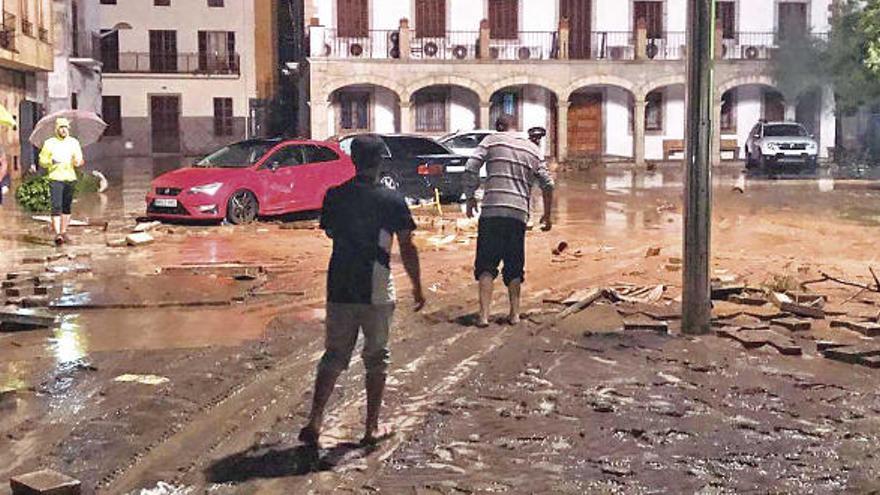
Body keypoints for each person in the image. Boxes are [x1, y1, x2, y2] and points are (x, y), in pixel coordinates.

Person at [299, 134, 426, 447]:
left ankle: (315, 420)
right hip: (377, 286)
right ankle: (371, 427)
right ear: (379, 161)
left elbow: (330, 231)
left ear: (353, 160)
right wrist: (418, 287)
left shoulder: (335, 195)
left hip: (340, 283)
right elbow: (408, 246)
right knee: (377, 357)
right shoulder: (391, 199)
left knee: (334, 355)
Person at [464, 115, 555, 328]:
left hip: (492, 212)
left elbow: (470, 167)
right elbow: (548, 184)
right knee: (514, 264)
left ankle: (484, 316)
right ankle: (514, 314)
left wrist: (470, 196)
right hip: (517, 214)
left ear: (498, 127)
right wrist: (547, 215)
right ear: (517, 128)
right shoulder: (532, 149)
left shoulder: (491, 141)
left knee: (486, 264)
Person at [39, 118, 83, 246]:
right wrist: (51, 162)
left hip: (70, 177)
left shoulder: (73, 143)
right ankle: (57, 233)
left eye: (66, 127)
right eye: (61, 127)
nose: (64, 130)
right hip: (55, 178)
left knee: (66, 206)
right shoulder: (49, 143)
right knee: (56, 206)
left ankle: (64, 232)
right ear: (56, 129)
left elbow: (79, 159)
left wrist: (78, 162)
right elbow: (42, 160)